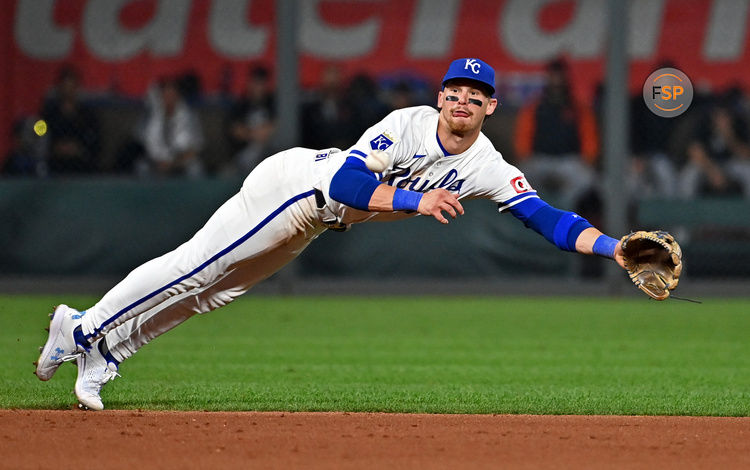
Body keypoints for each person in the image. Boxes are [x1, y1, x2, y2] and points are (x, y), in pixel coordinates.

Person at [35, 58, 627, 411]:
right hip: (298, 187)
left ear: (491, 106)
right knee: (198, 266)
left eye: (475, 96)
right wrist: (417, 201)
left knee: (217, 291)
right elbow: (346, 183)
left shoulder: (488, 165)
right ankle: (80, 327)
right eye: (454, 93)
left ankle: (108, 351)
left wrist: (616, 248)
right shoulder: (407, 124)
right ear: (440, 97)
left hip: (316, 220)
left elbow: (548, 217)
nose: (462, 102)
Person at [513, 59, 599, 209]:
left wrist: (588, 159)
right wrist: (524, 156)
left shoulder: (578, 107)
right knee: (517, 178)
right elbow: (523, 141)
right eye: (553, 77)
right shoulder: (535, 106)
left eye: (560, 77)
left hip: (569, 161)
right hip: (540, 160)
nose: (556, 81)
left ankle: (565, 211)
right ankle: (536, 212)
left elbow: (589, 141)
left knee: (587, 178)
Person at [136, 77, 204, 177]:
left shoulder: (190, 116)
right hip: (156, 160)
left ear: (178, 96)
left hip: (180, 161)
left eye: (172, 94)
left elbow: (196, 148)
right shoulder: (150, 114)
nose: (169, 98)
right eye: (165, 94)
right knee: (141, 167)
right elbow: (141, 142)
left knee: (195, 168)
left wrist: (173, 163)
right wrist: (159, 160)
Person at [40, 65, 101, 174]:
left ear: (77, 88)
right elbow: (39, 134)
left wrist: (78, 148)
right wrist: (55, 147)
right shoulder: (48, 114)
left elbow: (95, 139)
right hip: (55, 161)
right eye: (65, 87)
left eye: (71, 87)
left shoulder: (87, 115)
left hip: (80, 161)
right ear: (59, 88)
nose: (68, 91)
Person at [226, 65, 277, 173]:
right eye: (255, 82)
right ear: (249, 83)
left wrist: (261, 132)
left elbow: (276, 126)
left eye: (261, 83)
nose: (258, 87)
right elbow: (237, 131)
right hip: (243, 154)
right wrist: (255, 133)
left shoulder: (272, 102)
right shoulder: (241, 104)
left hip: (269, 152)